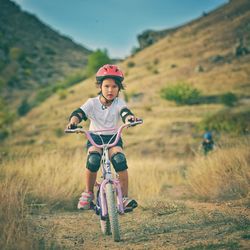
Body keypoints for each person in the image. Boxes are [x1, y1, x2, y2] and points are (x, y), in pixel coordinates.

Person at [66, 64, 141, 212]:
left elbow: (125, 113)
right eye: (106, 86)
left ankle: (124, 198)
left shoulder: (119, 103)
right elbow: (79, 113)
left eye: (114, 86)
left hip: (113, 138)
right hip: (95, 138)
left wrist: (130, 119)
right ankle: (88, 193)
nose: (110, 90)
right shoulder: (92, 103)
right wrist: (73, 122)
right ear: (100, 86)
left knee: (119, 160)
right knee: (93, 159)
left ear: (119, 88)